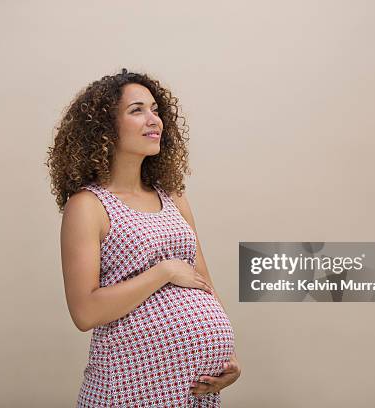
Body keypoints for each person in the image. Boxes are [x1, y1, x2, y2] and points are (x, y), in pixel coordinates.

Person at [46, 68, 241, 407]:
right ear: (104, 129)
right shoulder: (89, 206)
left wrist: (227, 354)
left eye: (155, 109)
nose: (154, 119)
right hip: (128, 388)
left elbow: (203, 281)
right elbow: (85, 312)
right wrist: (163, 271)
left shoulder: (173, 197)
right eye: (137, 110)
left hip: (193, 391)